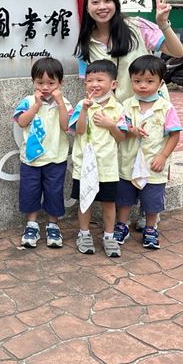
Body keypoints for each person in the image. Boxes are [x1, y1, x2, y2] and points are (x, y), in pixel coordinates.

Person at [75, 0, 183, 103]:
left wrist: (163, 24)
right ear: (87, 8)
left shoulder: (137, 27)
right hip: (114, 112)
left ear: (116, 3)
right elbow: (89, 85)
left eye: (107, 1)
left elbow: (177, 52)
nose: (102, 6)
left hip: (151, 108)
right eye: (95, 2)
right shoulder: (85, 44)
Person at [114, 55, 182, 250]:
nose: (143, 86)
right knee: (124, 197)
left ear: (160, 83)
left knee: (152, 199)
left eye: (149, 81)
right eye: (137, 81)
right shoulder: (126, 105)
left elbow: (174, 135)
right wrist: (131, 131)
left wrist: (163, 156)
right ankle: (122, 225)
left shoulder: (166, 108)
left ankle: (151, 228)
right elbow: (121, 130)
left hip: (154, 165)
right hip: (128, 162)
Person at [69, 60, 128, 258]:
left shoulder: (118, 108)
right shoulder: (81, 104)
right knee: (84, 201)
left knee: (109, 203)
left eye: (100, 80)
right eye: (90, 80)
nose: (94, 84)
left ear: (113, 84)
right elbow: (79, 131)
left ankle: (109, 236)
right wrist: (84, 110)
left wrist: (110, 124)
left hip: (107, 167)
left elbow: (121, 137)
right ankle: (84, 234)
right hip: (84, 165)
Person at [13, 57, 72, 249]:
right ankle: (32, 225)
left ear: (60, 83)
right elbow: (22, 122)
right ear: (33, 82)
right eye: (40, 83)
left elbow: (66, 126)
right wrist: (36, 106)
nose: (45, 87)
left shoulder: (65, 103)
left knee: (54, 192)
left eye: (51, 83)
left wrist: (60, 103)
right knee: (30, 191)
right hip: (31, 160)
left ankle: (53, 225)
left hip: (56, 158)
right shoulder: (28, 101)